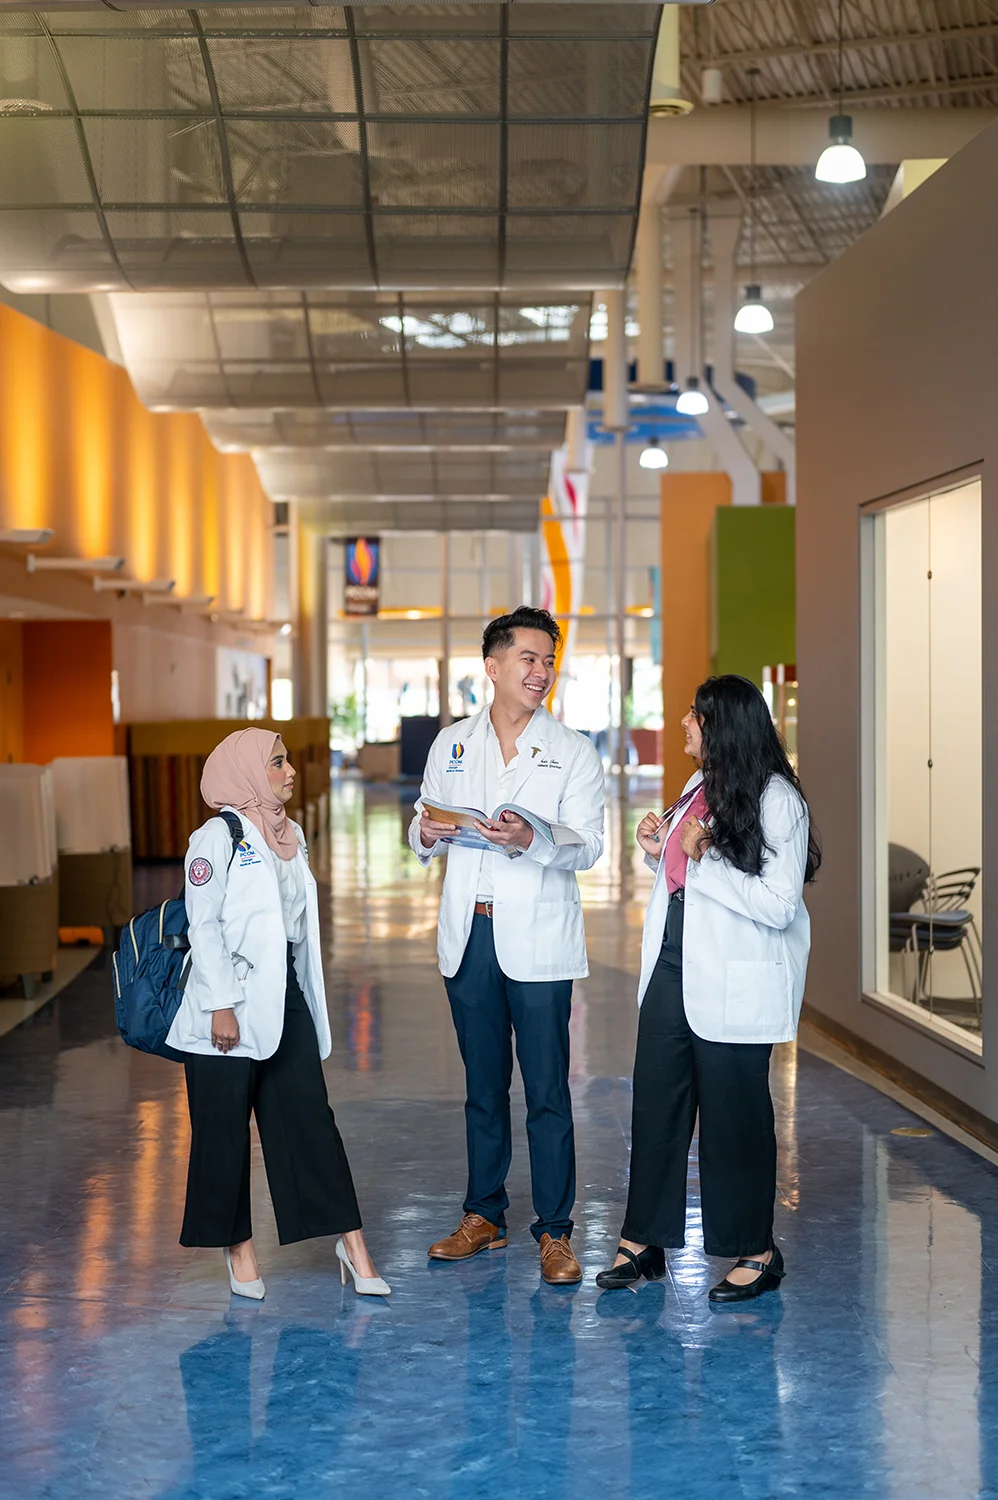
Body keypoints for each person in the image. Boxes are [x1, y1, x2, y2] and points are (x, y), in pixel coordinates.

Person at [596, 675, 819, 1303]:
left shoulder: (778, 800)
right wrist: (658, 849)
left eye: (694, 716)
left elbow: (778, 904)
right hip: (673, 962)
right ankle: (644, 1241)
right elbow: (684, 875)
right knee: (657, 1104)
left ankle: (757, 1249)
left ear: (723, 725)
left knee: (733, 1117)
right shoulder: (700, 788)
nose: (684, 724)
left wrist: (701, 858)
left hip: (734, 977)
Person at [409, 607, 606, 1284]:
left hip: (539, 937)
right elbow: (423, 819)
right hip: (472, 933)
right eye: (527, 658)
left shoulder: (574, 751)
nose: (540, 672)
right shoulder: (451, 744)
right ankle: (483, 1215)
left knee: (548, 1089)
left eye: (548, 660)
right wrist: (427, 836)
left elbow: (591, 845)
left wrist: (534, 840)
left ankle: (555, 1232)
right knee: (483, 1088)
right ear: (491, 666)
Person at [167, 727, 389, 1299]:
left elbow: (295, 930)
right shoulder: (214, 838)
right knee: (224, 1132)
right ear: (244, 772)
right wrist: (221, 1004)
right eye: (276, 763)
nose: (290, 771)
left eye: (287, 761)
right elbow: (204, 924)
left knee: (309, 1120)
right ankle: (237, 1248)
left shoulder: (288, 836)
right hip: (227, 1002)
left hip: (284, 995)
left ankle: (351, 1241)